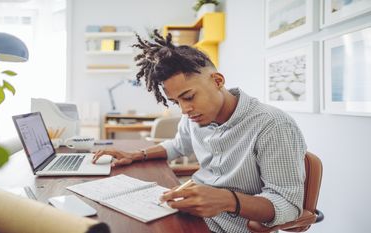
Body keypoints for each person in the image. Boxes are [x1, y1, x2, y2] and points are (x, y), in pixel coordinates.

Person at [93, 30, 306, 233]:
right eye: (177, 102)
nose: (185, 110)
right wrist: (136, 155)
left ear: (217, 81)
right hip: (189, 214)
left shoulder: (273, 125)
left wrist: (228, 200)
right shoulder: (194, 118)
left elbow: (288, 206)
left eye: (189, 97)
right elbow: (177, 146)